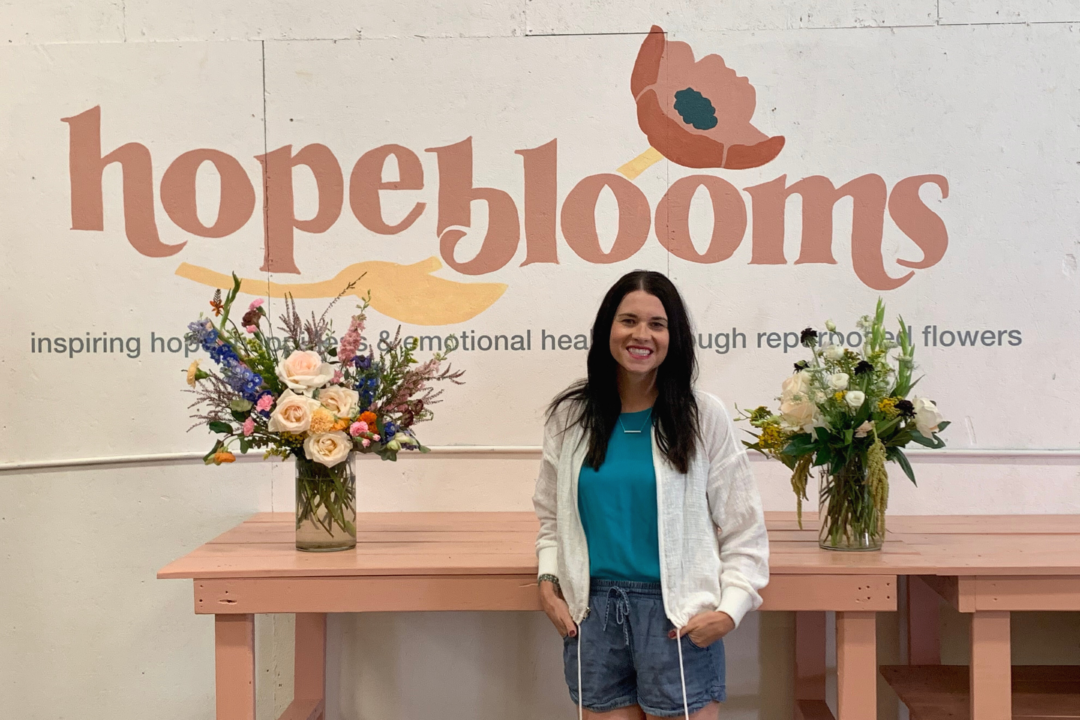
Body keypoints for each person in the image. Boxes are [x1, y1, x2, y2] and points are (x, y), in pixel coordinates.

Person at [532, 270, 769, 720]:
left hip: (675, 617)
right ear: (608, 329)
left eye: (657, 324)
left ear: (673, 336)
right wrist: (548, 583)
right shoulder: (570, 416)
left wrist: (731, 609)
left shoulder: (703, 416)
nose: (641, 335)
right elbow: (551, 518)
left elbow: (744, 528)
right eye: (628, 321)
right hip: (592, 613)